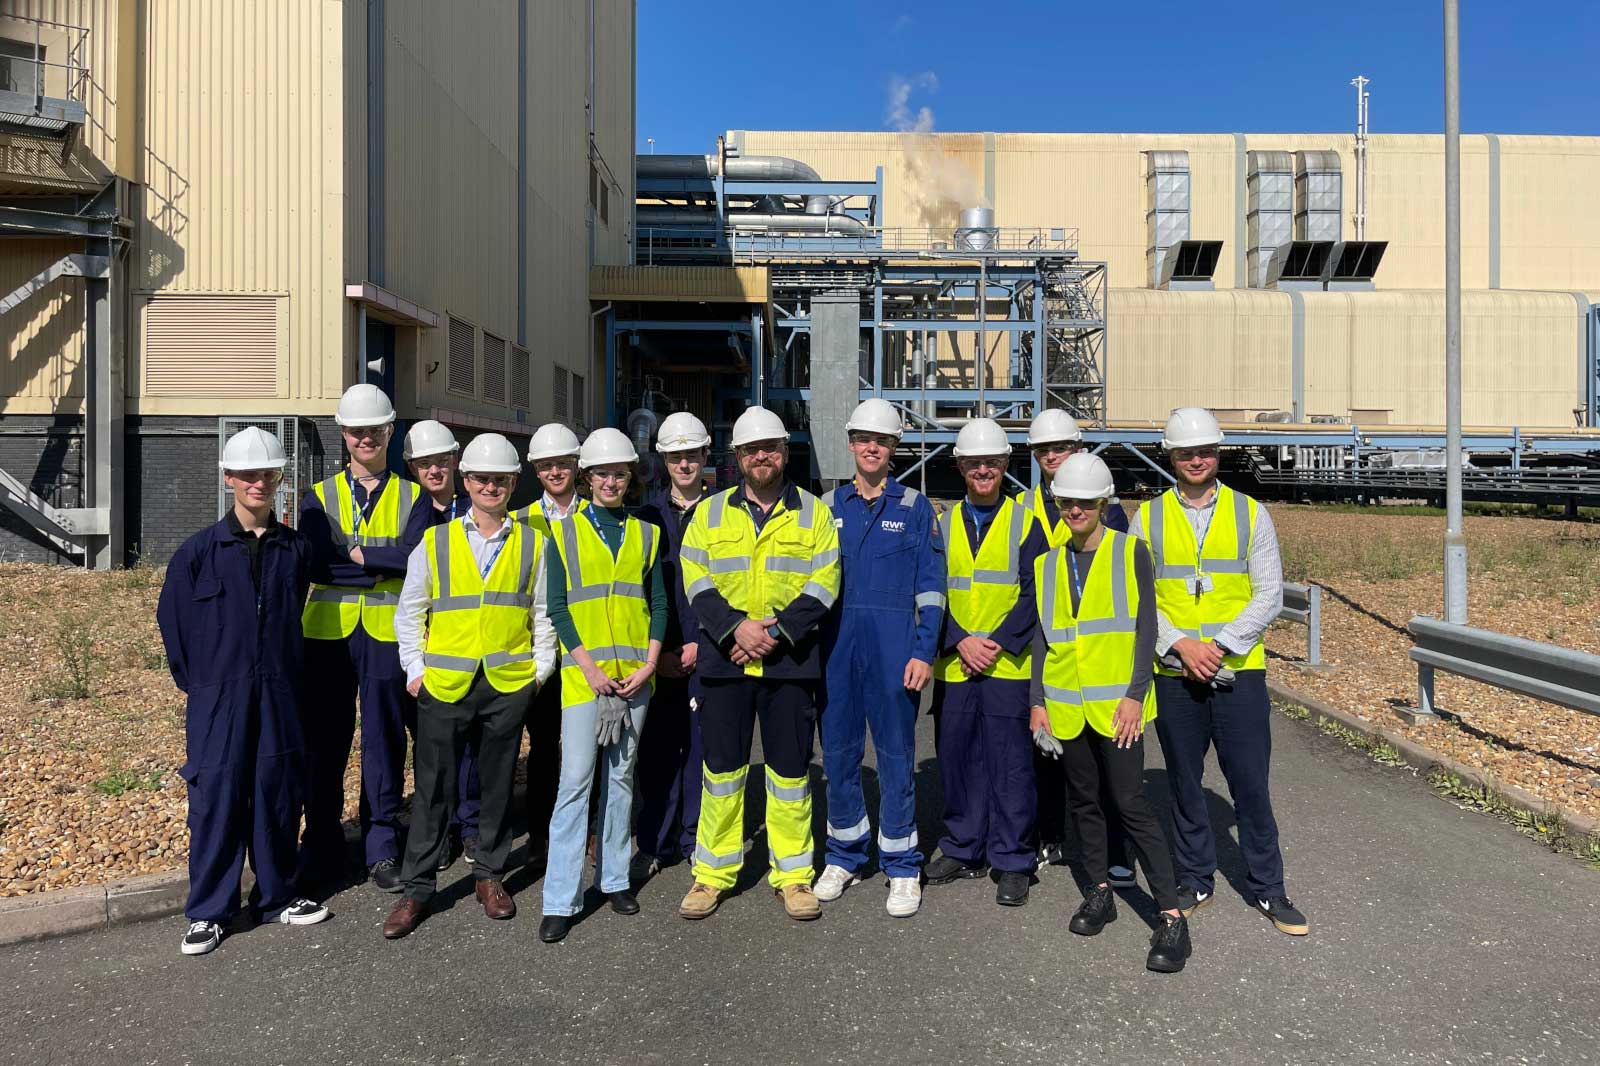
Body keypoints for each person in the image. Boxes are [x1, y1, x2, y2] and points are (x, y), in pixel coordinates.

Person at [1130, 407, 1306, 936]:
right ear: (1172, 456)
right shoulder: (1148, 518)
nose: (1196, 459)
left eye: (1205, 450)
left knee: (1250, 784)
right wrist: (1182, 645)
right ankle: (1196, 879)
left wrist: (1221, 645)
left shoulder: (1251, 514)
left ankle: (1268, 888)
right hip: (1175, 669)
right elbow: (1140, 597)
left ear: (1218, 453)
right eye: (1186, 451)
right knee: (1185, 782)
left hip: (1239, 672)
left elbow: (1269, 593)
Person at [157, 427, 329, 956]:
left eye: (268, 474)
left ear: (280, 479)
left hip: (278, 691)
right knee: (216, 798)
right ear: (228, 477)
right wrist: (205, 684)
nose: (259, 483)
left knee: (277, 790)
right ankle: (209, 911)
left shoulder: (294, 548)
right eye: (248, 474)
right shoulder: (198, 552)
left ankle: (276, 896)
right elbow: (174, 624)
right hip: (217, 696)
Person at [383, 434, 556, 938]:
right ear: (466, 482)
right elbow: (410, 612)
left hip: (507, 684)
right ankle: (417, 889)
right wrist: (415, 670)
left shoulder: (532, 543)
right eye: (482, 478)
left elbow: (542, 615)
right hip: (445, 684)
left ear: (512, 483)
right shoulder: (436, 542)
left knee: (497, 784)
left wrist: (536, 675)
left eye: (500, 479)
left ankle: (490, 876)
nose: (491, 487)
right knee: (433, 788)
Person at [675, 406, 841, 922]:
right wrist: (734, 629)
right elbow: (695, 578)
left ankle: (793, 877)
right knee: (721, 772)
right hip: (726, 661)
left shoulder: (814, 513)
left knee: (790, 773)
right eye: (751, 450)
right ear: (738, 458)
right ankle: (712, 874)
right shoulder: (709, 514)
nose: (761, 457)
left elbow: (825, 581)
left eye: (769, 448)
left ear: (784, 452)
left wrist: (776, 632)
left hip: (788, 661)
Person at [1029, 453, 1191, 973]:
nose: (1074, 509)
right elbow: (1042, 638)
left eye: (1083, 502)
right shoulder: (1048, 563)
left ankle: (1170, 915)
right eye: (1065, 501)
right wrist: (1036, 703)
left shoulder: (1131, 552)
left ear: (1102, 503)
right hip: (1065, 705)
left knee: (1130, 804)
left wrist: (1134, 692)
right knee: (1084, 802)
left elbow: (1146, 627)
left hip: (1118, 705)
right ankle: (1099, 891)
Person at [297, 384, 431, 894]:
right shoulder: (319, 496)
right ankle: (324, 846)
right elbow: (314, 562)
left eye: (375, 430)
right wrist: (378, 564)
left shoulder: (414, 496)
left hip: (385, 634)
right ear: (344, 435)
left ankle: (381, 847)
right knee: (325, 744)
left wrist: (352, 558)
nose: (366, 438)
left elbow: (414, 558)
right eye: (357, 431)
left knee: (384, 741)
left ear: (390, 432)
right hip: (326, 635)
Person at [814, 399, 944, 918]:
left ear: (895, 448)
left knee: (895, 759)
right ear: (850, 444)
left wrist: (923, 651)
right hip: (835, 652)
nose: (872, 447)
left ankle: (902, 863)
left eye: (883, 440)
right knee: (840, 757)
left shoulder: (915, 509)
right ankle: (844, 855)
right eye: (864, 438)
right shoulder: (826, 508)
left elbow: (931, 587)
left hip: (894, 655)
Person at [538, 428, 669, 943]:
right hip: (585, 681)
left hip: (635, 676)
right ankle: (560, 897)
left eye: (619, 473)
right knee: (574, 784)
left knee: (621, 780)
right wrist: (590, 670)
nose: (610, 481)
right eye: (601, 474)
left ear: (628, 477)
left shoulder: (646, 534)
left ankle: (614, 878)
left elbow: (657, 603)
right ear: (587, 478)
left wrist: (650, 664)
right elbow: (558, 608)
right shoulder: (562, 535)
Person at [925, 418, 1048, 907]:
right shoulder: (942, 524)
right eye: (974, 463)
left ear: (1005, 466)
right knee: (957, 760)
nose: (982, 470)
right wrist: (958, 640)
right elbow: (930, 589)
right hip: (956, 666)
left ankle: (1013, 858)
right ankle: (962, 846)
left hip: (1005, 666)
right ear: (959, 466)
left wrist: (994, 642)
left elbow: (1034, 594)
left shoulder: (1025, 522)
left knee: (1011, 764)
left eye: (991, 463)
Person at [1017, 408, 1133, 885]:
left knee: (1107, 764)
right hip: (1048, 645)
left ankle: (1116, 851)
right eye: (1043, 450)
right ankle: (1051, 836)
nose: (1051, 456)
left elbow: (1122, 579)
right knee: (1049, 753)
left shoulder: (1109, 505)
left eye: (1059, 447)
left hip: (1101, 655)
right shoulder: (1024, 507)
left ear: (1078, 448)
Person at [632, 412, 713, 880]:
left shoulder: (726, 513)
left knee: (705, 752)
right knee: (658, 753)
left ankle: (697, 838)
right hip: (657, 656)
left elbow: (735, 588)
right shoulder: (645, 518)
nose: (684, 464)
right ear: (663, 460)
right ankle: (653, 842)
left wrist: (705, 643)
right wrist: (654, 653)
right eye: (675, 456)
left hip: (708, 652)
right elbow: (636, 593)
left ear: (705, 456)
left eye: (692, 455)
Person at [510, 422, 587, 875]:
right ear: (535, 471)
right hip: (541, 651)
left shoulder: (597, 513)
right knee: (542, 746)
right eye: (547, 466)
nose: (556, 471)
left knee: (591, 746)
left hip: (586, 651)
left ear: (577, 466)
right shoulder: (520, 521)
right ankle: (539, 832)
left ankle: (590, 829)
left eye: (563, 463)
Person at [404, 419, 479, 872]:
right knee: (431, 747)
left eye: (442, 461)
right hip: (424, 647)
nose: (435, 470)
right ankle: (441, 831)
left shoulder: (476, 506)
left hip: (468, 644)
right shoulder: (411, 512)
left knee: (469, 745)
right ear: (414, 468)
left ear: (455, 461)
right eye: (425, 464)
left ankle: (469, 827)